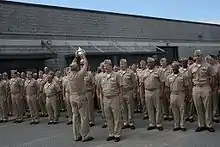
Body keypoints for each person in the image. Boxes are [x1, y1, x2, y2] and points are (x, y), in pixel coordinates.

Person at [67, 53, 94, 142]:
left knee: (75, 117)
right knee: (84, 117)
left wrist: (75, 57)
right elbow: (86, 64)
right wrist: (83, 56)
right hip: (80, 97)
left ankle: (76, 135)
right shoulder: (79, 75)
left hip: (72, 97)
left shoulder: (69, 74)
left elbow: (72, 64)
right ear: (77, 68)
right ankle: (85, 135)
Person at [188, 49, 215, 132]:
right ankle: (201, 124)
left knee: (207, 107)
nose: (197, 57)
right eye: (196, 56)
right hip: (196, 87)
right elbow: (189, 78)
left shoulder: (207, 66)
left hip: (205, 87)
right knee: (198, 107)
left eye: (199, 55)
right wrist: (191, 88)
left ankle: (209, 125)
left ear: (202, 56)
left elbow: (213, 77)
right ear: (194, 57)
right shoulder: (191, 67)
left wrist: (211, 87)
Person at [100, 59, 122, 142]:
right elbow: (100, 88)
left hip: (114, 97)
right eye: (104, 66)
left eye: (106, 66)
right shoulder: (102, 76)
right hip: (106, 98)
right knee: (108, 117)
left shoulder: (116, 75)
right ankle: (111, 133)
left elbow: (120, 87)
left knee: (116, 117)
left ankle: (117, 134)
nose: (105, 67)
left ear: (111, 66)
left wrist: (120, 98)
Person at [140, 57, 165, 131]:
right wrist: (142, 93)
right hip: (147, 91)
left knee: (158, 108)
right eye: (148, 62)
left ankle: (158, 123)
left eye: (150, 62)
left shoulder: (159, 71)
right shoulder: (144, 72)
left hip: (156, 90)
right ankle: (152, 123)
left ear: (154, 63)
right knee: (149, 108)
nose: (149, 64)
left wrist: (161, 92)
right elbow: (142, 83)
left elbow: (162, 83)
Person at [166, 62, 188, 131]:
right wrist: (167, 97)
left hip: (181, 94)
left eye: (176, 67)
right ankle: (176, 125)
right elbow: (167, 88)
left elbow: (187, 87)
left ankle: (182, 125)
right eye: (173, 67)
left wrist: (187, 96)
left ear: (178, 67)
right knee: (174, 111)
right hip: (172, 94)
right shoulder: (169, 77)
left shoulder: (183, 76)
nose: (174, 68)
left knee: (182, 110)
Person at [118, 59, 136, 130]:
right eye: (120, 64)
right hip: (121, 92)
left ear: (126, 64)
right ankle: (125, 122)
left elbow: (134, 83)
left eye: (123, 64)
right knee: (123, 108)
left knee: (130, 107)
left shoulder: (130, 72)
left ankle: (131, 122)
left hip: (129, 91)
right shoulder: (118, 73)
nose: (122, 66)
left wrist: (134, 92)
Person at [79, 60, 96, 127]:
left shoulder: (89, 74)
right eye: (81, 64)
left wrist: (93, 93)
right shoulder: (79, 74)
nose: (82, 66)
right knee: (83, 108)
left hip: (88, 92)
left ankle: (91, 120)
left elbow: (93, 84)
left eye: (83, 64)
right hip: (81, 93)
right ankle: (85, 121)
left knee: (89, 107)